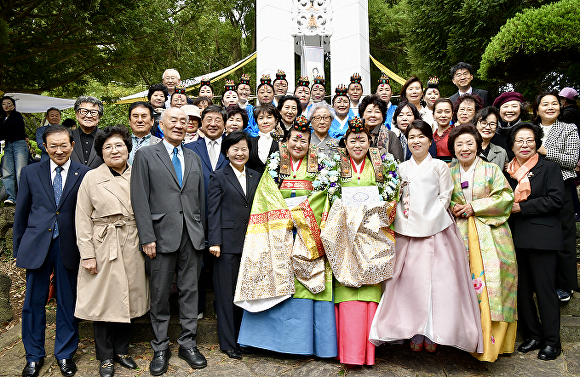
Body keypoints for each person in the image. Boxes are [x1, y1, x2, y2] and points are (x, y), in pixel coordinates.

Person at [369, 120, 483, 355]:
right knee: (406, 284)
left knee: (437, 284)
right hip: (406, 231)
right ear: (407, 141)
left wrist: (428, 218)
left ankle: (433, 332)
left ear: (430, 141)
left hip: (436, 231)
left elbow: (445, 196)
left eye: (421, 137)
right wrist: (405, 218)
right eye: (411, 137)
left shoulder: (440, 167)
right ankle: (411, 331)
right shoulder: (400, 169)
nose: (416, 141)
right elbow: (396, 198)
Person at [236, 118, 337, 360]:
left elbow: (324, 198)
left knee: (307, 286)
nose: (299, 143)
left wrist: (299, 215)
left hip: (307, 234)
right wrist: (285, 216)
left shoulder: (322, 166)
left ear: (310, 143)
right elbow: (265, 195)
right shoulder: (274, 165)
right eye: (294, 139)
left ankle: (307, 344)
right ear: (287, 141)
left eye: (304, 139)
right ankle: (268, 341)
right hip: (279, 233)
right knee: (275, 277)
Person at [131, 107, 207, 374]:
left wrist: (203, 235)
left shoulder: (194, 157)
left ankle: (188, 344)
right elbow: (139, 198)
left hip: (192, 236)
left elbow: (200, 198)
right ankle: (160, 346)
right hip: (160, 235)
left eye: (183, 121)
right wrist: (147, 236)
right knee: (160, 293)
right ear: (160, 125)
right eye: (172, 120)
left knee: (190, 291)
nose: (178, 125)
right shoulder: (145, 155)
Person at [14, 125, 91, 377]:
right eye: (53, 146)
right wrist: (19, 248)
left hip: (69, 245)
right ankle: (34, 356)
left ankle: (65, 353)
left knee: (68, 302)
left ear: (72, 145)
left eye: (64, 145)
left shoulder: (84, 173)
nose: (59, 150)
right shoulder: (29, 172)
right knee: (33, 303)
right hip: (37, 245)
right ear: (45, 147)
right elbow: (22, 213)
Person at [323, 117, 399, 365]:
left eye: (362, 140)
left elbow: (392, 196)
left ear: (370, 141)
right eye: (353, 140)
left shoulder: (382, 164)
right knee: (346, 295)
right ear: (345, 142)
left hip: (372, 238)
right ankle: (347, 351)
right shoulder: (335, 165)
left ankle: (367, 353)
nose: (357, 145)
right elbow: (327, 199)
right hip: (345, 239)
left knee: (368, 294)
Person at [75, 126, 149, 377]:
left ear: (128, 148)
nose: (114, 150)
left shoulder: (139, 174)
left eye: (119, 145)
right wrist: (87, 254)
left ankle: (122, 350)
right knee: (104, 300)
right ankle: (105, 356)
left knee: (129, 297)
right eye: (108, 147)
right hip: (103, 242)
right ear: (101, 152)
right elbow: (82, 218)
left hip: (132, 240)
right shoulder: (91, 178)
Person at [447, 125, 517, 362]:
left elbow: (506, 196)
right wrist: (452, 207)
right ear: (453, 149)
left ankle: (491, 345)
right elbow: (441, 199)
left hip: (490, 235)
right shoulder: (448, 171)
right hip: (459, 234)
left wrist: (475, 207)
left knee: (490, 287)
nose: (464, 148)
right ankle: (464, 341)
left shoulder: (492, 169)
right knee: (463, 284)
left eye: (469, 143)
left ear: (478, 144)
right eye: (459, 144)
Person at [506, 122, 565, 361]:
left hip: (542, 239)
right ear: (511, 145)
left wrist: (523, 206)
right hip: (515, 238)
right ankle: (533, 335)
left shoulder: (549, 168)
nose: (524, 144)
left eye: (529, 140)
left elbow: (556, 199)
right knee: (521, 291)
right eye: (519, 140)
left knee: (544, 292)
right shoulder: (507, 172)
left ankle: (553, 341)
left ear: (537, 143)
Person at [207, 131, 260, 359]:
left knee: (246, 294)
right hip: (226, 245)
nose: (240, 153)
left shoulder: (256, 176)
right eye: (235, 149)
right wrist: (215, 241)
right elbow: (212, 210)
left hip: (251, 243)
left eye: (244, 149)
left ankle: (244, 339)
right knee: (226, 296)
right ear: (226, 152)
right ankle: (228, 343)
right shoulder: (218, 176)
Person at [532, 91, 580, 302]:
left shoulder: (569, 128)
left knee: (565, 234)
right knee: (541, 236)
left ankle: (565, 285)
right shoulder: (531, 130)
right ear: (537, 109)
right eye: (545, 104)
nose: (550, 107)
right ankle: (542, 282)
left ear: (560, 107)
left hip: (562, 186)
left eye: (554, 103)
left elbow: (571, 160)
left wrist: (544, 151)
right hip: (536, 187)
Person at [0, 96, 29, 205]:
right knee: (7, 172)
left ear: (13, 105)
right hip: (8, 145)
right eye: (4, 104)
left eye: (9, 103)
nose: (6, 106)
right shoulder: (3, 119)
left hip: (19, 144)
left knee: (20, 172)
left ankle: (22, 198)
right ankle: (11, 197)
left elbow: (4, 128)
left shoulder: (16, 115)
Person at [360, 94, 404, 162]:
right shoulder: (355, 134)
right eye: (369, 111)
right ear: (362, 114)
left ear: (383, 115)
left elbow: (398, 162)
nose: (373, 115)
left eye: (377, 112)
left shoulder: (391, 136)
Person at [491, 91, 528, 161]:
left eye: (514, 106)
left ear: (521, 110)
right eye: (505, 106)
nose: (510, 110)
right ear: (499, 111)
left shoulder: (527, 131)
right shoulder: (490, 131)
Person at [246, 104, 281, 174]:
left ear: (276, 120)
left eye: (269, 117)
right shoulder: (250, 142)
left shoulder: (282, 141)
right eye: (261, 118)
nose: (265, 121)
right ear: (257, 121)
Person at [70, 96, 104, 169]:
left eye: (93, 112)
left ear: (99, 117)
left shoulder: (106, 137)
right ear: (77, 114)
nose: (88, 116)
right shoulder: (68, 137)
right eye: (84, 111)